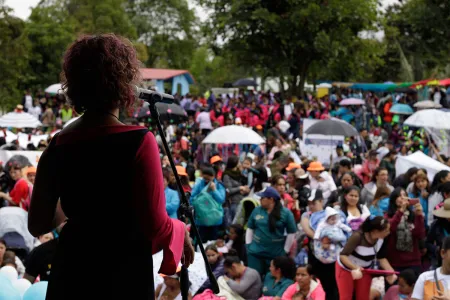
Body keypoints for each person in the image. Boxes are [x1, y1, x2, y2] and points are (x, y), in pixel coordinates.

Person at [28, 34, 194, 300]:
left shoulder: (57, 145)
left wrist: (77, 202)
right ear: (124, 83)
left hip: (73, 269)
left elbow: (38, 224)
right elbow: (154, 226)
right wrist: (179, 229)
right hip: (122, 272)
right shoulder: (140, 141)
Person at [337, 216, 396, 300]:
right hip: (346, 267)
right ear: (375, 231)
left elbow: (381, 257)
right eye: (386, 230)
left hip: (365, 269)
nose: (388, 233)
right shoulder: (358, 236)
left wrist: (390, 271)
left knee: (363, 297)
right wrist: (356, 268)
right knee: (346, 297)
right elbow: (343, 255)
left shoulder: (382, 239)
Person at [246, 187, 297, 276]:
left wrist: (286, 250)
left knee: (271, 279)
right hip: (255, 252)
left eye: (263, 198)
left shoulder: (286, 213)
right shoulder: (257, 210)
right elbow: (250, 228)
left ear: (271, 199)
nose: (260, 199)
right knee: (253, 277)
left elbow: (291, 232)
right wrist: (248, 245)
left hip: (275, 254)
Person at [386, 187, 426, 274]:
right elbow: (391, 228)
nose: (403, 198)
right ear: (393, 200)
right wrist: (401, 211)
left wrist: (419, 216)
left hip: (413, 261)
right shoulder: (388, 216)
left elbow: (419, 234)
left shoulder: (413, 215)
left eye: (405, 195)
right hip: (395, 261)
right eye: (399, 196)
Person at [190, 166, 226, 242]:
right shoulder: (199, 184)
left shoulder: (219, 185)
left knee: (213, 242)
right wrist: (204, 192)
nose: (206, 181)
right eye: (204, 178)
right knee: (201, 242)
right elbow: (192, 199)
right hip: (202, 219)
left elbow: (221, 200)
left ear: (213, 176)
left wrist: (214, 190)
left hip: (215, 219)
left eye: (208, 179)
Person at [223, 155, 249, 221]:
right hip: (233, 202)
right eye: (239, 162)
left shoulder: (238, 173)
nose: (240, 163)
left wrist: (245, 189)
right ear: (234, 163)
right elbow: (228, 190)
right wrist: (240, 188)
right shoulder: (226, 175)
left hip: (241, 200)